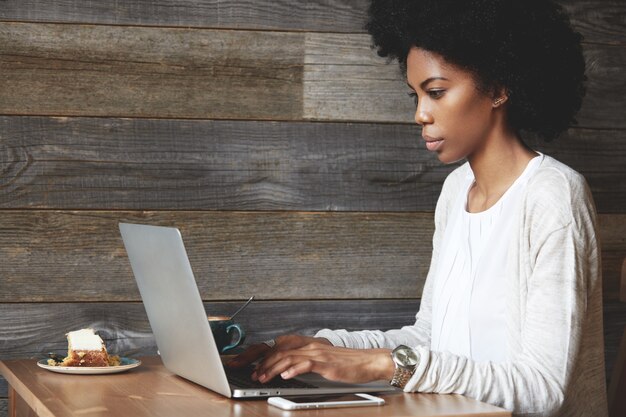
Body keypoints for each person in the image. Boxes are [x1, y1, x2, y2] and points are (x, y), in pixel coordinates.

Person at [228, 0, 608, 415]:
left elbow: (542, 389)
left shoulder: (553, 195)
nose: (420, 114)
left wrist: (383, 364)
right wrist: (324, 347)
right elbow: (431, 338)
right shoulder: (455, 191)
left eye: (436, 92)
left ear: (500, 88)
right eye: (416, 94)